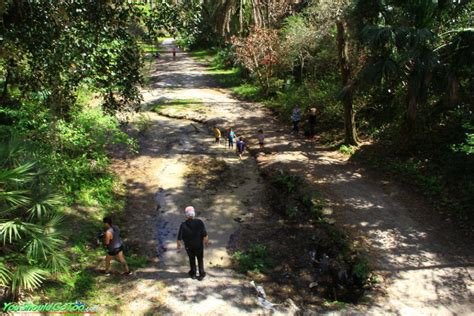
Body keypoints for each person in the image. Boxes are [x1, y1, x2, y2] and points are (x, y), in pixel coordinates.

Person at [177, 206, 209, 281]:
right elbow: (204, 234)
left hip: (189, 246)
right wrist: (206, 242)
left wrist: (178, 246)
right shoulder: (199, 222)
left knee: (191, 259)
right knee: (200, 259)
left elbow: (179, 238)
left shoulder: (183, 225)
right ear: (194, 214)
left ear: (186, 215)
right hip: (199, 245)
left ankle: (193, 274)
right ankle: (201, 274)